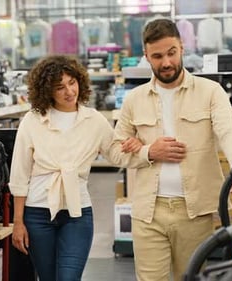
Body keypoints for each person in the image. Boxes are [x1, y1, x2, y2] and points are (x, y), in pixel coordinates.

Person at [113, 18, 232, 281]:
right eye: (157, 56)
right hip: (148, 212)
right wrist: (149, 152)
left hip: (194, 212)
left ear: (182, 48)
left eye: (171, 53)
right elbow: (116, 151)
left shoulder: (210, 92)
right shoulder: (134, 100)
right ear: (146, 57)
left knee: (190, 278)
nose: (166, 62)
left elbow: (228, 133)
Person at [8, 55, 144, 281]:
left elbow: (116, 154)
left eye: (72, 83)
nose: (69, 91)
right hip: (37, 214)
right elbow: (19, 176)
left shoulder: (94, 120)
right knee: (47, 277)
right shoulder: (32, 121)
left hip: (77, 214)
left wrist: (139, 147)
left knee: (69, 278)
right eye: (59, 87)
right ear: (47, 91)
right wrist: (18, 222)